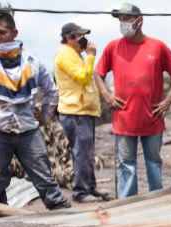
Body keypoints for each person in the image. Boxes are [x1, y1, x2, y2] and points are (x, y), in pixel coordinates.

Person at [0, 9, 71, 210]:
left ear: (14, 33)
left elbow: (52, 91)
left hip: (28, 129)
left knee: (43, 174)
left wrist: (45, 115)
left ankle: (60, 210)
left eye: (1, 32)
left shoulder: (31, 61)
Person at [93, 3, 171, 199]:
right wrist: (107, 95)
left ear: (139, 21)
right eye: (120, 20)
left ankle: (157, 200)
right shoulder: (113, 47)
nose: (122, 24)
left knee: (153, 163)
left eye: (126, 19)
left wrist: (167, 101)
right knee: (126, 164)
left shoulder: (157, 47)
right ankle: (127, 204)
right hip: (124, 119)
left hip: (152, 117)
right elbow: (98, 74)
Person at [54, 22, 110, 203]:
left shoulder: (75, 55)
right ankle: (81, 192)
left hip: (83, 111)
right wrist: (91, 56)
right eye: (79, 36)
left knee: (87, 153)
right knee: (82, 154)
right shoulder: (65, 54)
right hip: (75, 112)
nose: (83, 40)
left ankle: (90, 188)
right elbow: (83, 77)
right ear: (69, 38)